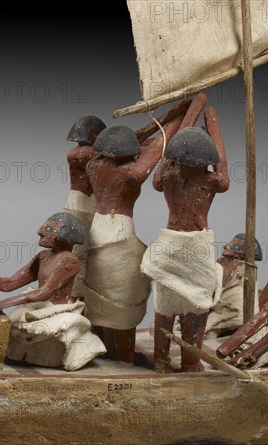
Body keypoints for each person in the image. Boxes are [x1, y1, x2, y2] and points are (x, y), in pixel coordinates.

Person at [83, 106, 187, 362]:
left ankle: (101, 349)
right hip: (117, 235)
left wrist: (168, 117)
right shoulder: (131, 173)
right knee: (123, 296)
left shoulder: (92, 165)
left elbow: (138, 142)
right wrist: (182, 118)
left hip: (97, 230)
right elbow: (155, 149)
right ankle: (125, 358)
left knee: (100, 293)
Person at [141, 104, 229, 373]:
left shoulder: (166, 177)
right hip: (196, 246)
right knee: (197, 304)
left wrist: (191, 113)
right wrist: (212, 119)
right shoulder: (211, 181)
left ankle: (161, 360)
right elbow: (223, 171)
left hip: (169, 243)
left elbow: (162, 167)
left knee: (165, 306)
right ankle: (191, 362)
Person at [0, 213, 106, 371]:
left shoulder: (69, 260)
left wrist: (7, 302)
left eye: (50, 229)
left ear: (66, 236)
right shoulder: (43, 256)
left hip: (55, 308)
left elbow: (44, 292)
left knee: (31, 326)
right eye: (43, 227)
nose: (40, 231)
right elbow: (11, 282)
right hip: (39, 304)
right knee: (13, 322)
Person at [62, 115, 106, 300]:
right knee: (78, 256)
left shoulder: (82, 153)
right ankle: (72, 301)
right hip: (81, 210)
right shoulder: (81, 153)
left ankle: (78, 302)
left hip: (84, 209)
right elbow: (122, 150)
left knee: (88, 256)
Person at [205, 234, 262, 339]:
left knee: (209, 328)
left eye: (231, 245)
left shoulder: (245, 267)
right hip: (217, 307)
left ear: (240, 252)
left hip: (233, 311)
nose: (225, 246)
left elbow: (235, 295)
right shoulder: (221, 263)